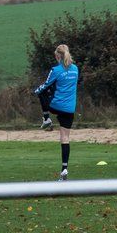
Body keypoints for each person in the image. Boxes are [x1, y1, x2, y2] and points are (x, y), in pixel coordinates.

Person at [33, 43, 79, 180]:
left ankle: (46, 118)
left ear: (58, 56)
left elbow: (46, 85)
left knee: (42, 93)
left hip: (56, 106)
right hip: (70, 108)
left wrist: (36, 91)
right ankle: (64, 169)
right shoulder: (75, 69)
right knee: (65, 138)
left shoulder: (56, 69)